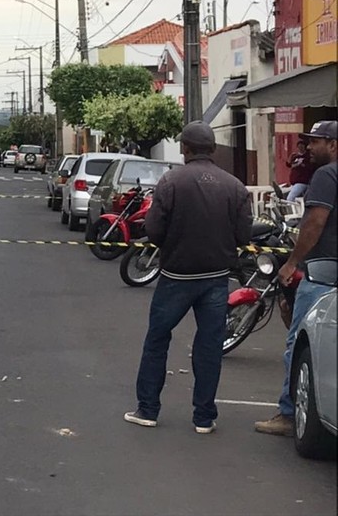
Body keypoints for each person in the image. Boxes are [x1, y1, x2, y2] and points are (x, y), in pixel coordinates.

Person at [124, 121, 252, 434]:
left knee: (157, 339)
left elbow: (153, 230)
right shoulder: (234, 186)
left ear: (186, 148)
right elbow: (244, 233)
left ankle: (148, 409)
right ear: (212, 148)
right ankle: (204, 417)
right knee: (209, 346)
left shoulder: (170, 182)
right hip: (216, 278)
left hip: (176, 276)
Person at [255, 120, 338, 437]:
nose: (308, 147)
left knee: (298, 343)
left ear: (332, 145)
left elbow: (315, 222)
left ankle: (289, 413)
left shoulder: (326, 175)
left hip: (322, 275)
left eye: (316, 142)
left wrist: (292, 262)